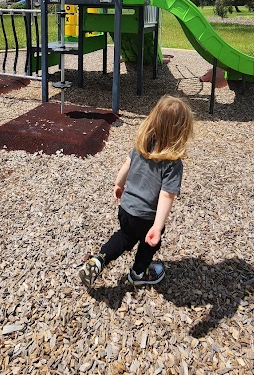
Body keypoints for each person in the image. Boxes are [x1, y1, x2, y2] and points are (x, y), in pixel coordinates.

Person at [79, 94, 194, 287]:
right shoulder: (172, 163)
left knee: (124, 237)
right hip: (146, 217)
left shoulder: (142, 145)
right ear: (181, 131)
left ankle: (98, 260)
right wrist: (157, 226)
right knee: (150, 243)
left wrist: (119, 184)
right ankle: (138, 273)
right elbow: (167, 195)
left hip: (126, 209)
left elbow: (127, 164)